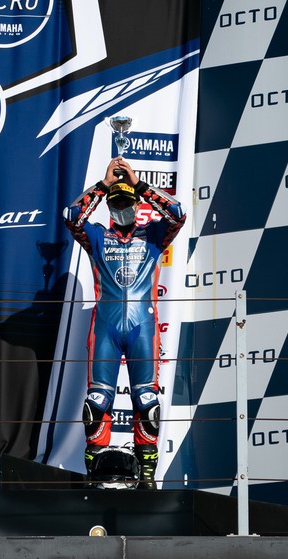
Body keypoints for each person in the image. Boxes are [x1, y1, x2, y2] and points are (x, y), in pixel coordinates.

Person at [64, 156, 185, 489]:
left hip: (142, 330)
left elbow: (178, 214)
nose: (122, 208)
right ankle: (93, 475)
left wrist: (139, 185)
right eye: (116, 203)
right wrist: (104, 185)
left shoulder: (154, 235)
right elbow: (71, 217)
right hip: (105, 328)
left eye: (126, 202)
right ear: (108, 206)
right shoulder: (97, 237)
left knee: (148, 404)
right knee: (96, 404)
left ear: (136, 204)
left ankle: (147, 477)